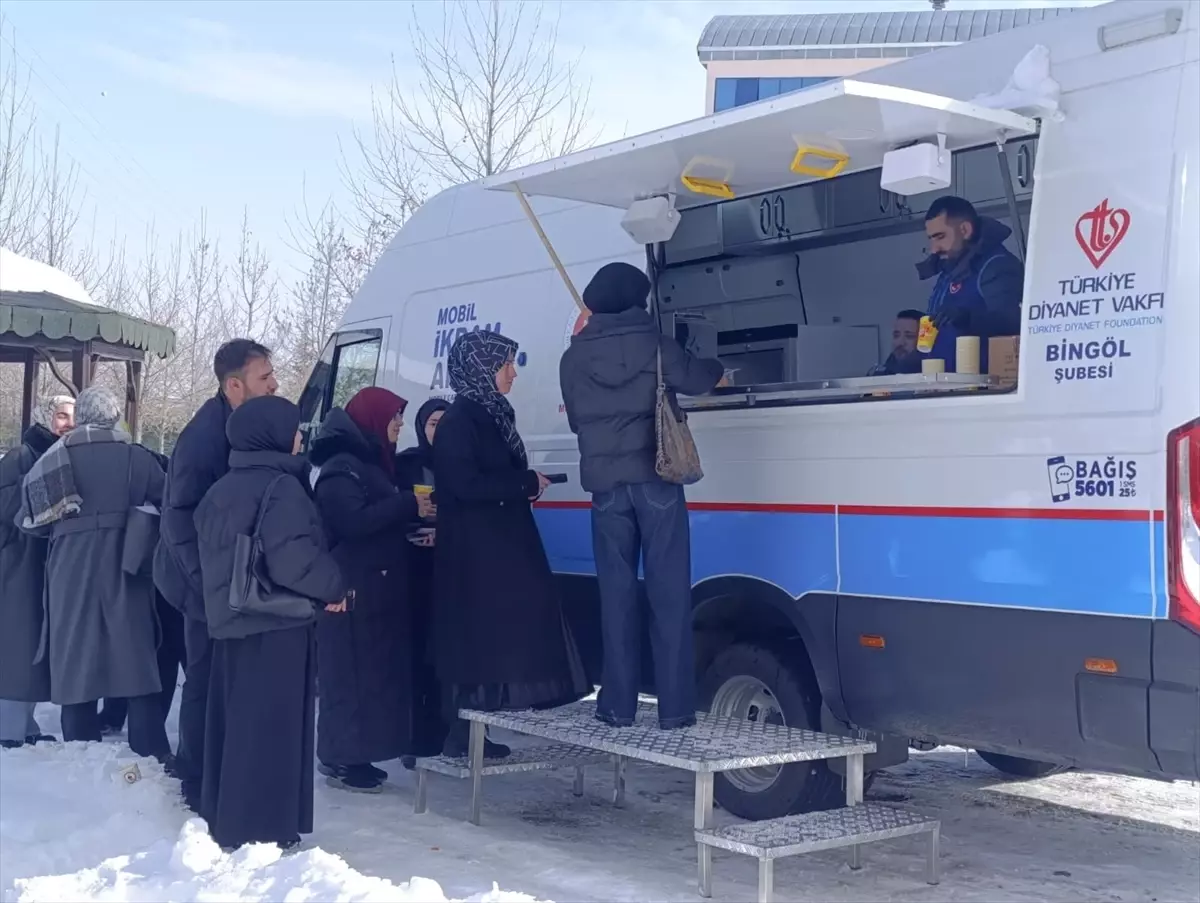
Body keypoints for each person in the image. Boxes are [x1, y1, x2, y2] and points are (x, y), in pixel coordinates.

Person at [559, 262, 724, 730]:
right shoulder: (656, 344)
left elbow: (576, 420)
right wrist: (717, 364)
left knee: (616, 598)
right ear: (638, 300)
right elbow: (699, 379)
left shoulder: (573, 358)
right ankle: (674, 709)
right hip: (657, 481)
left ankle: (617, 705)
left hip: (605, 490)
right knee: (669, 597)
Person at [194, 395, 348, 850]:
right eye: (294, 429)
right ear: (273, 435)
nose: (300, 437)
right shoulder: (281, 487)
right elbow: (291, 559)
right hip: (275, 622)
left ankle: (230, 819)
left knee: (238, 727)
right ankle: (264, 829)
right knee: (273, 730)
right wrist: (335, 586)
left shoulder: (224, 486)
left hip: (231, 620)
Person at [434, 330, 590, 757]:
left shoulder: (491, 413)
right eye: (505, 364)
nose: (513, 374)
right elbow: (464, 484)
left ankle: (477, 728)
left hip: (499, 544)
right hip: (476, 552)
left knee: (494, 634)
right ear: (482, 368)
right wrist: (522, 483)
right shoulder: (460, 421)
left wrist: (524, 484)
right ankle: (461, 732)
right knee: (476, 636)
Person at [155, 339, 277, 809]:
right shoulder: (205, 437)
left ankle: (221, 765)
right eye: (265, 377)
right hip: (200, 583)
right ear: (234, 386)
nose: (275, 384)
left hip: (227, 580)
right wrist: (206, 585)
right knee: (204, 676)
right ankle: (195, 775)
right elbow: (178, 518)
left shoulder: (243, 426)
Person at [16, 387, 169, 760]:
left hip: (70, 570)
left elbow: (29, 521)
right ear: (115, 416)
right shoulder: (137, 457)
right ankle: (149, 752)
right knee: (136, 659)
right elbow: (167, 503)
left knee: (76, 661)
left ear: (82, 417)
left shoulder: (53, 459)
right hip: (126, 566)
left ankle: (80, 753)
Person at [309, 387, 427, 792]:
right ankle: (340, 757)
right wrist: (407, 505)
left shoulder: (369, 463)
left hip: (373, 586)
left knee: (369, 674)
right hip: (350, 589)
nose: (400, 425)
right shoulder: (342, 467)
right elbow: (351, 522)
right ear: (373, 419)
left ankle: (356, 755)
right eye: (395, 417)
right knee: (349, 676)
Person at [0, 395, 74, 749]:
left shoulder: (55, 454)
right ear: (45, 417)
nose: (68, 423)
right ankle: (9, 728)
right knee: (18, 643)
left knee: (32, 646)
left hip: (38, 562)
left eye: (73, 417)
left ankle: (24, 722)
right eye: (61, 416)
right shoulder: (22, 456)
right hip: (18, 562)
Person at [99, 443, 186, 738]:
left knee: (143, 648)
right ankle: (149, 719)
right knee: (165, 651)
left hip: (147, 577)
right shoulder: (165, 482)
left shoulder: (138, 478)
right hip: (163, 578)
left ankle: (115, 714)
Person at [394, 398, 450, 763]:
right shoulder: (407, 464)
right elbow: (389, 508)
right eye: (432, 423)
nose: (439, 431)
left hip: (453, 570)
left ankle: (451, 732)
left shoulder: (462, 462)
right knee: (415, 654)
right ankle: (414, 736)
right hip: (413, 569)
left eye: (446, 423)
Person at [918, 196, 1024, 372]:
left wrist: (967, 318)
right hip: (943, 383)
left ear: (965, 230)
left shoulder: (996, 266)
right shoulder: (949, 269)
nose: (934, 249)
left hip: (981, 385)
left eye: (940, 237)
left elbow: (1013, 322)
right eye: (931, 239)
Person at [868, 309, 924, 376]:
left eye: (909, 336)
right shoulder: (879, 375)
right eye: (896, 335)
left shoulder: (932, 374)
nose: (900, 343)